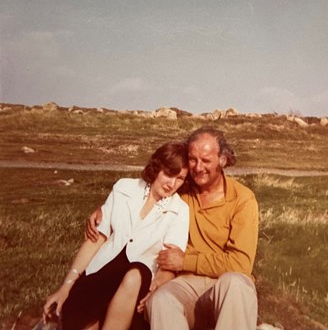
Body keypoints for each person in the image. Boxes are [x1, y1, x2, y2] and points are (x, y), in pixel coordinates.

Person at [87, 127, 259, 330]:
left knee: (236, 284)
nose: (198, 167)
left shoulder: (242, 199)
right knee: (162, 298)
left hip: (225, 286)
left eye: (206, 160)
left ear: (222, 160)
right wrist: (106, 210)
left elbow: (241, 263)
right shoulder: (180, 191)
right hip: (186, 285)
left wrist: (185, 261)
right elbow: (143, 197)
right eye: (193, 159)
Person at [43, 142, 190, 330]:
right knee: (79, 318)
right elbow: (96, 238)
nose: (172, 184)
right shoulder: (124, 188)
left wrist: (157, 286)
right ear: (157, 167)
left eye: (180, 178)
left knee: (136, 272)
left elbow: (170, 261)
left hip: (136, 287)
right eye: (169, 174)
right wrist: (67, 285)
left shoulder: (180, 210)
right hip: (101, 275)